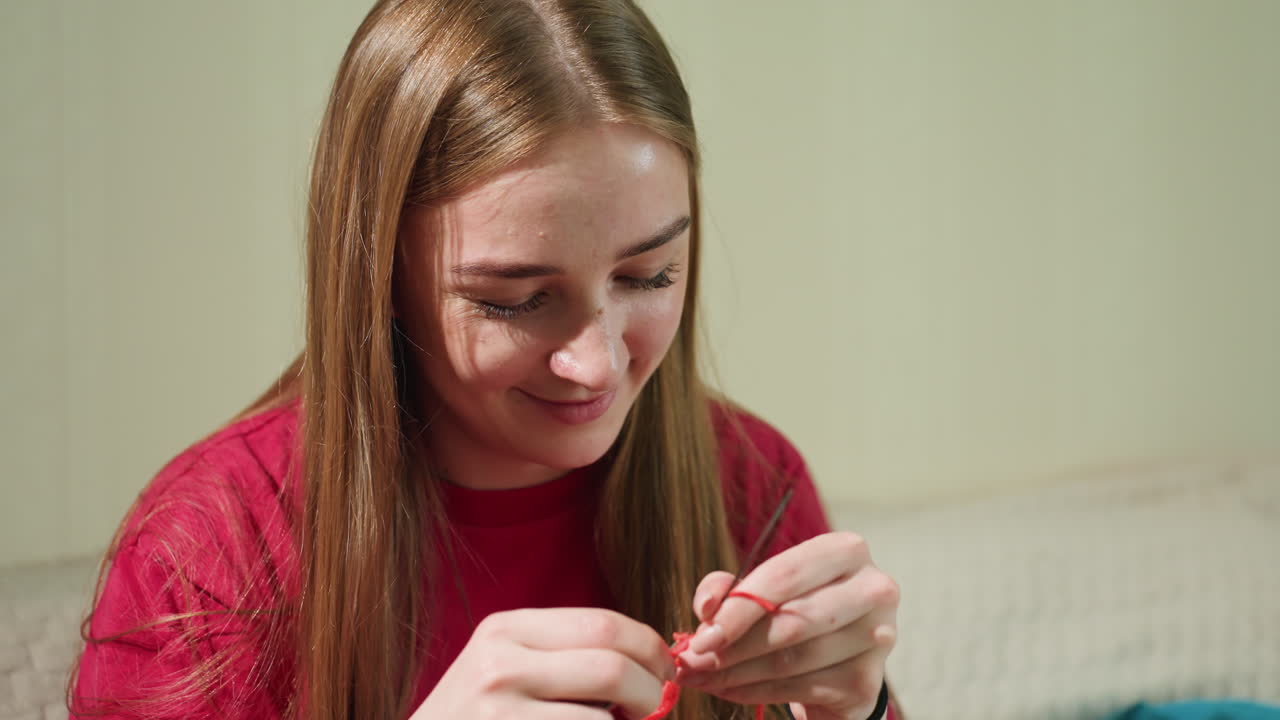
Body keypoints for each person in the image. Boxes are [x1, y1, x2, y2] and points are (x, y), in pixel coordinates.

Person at [68, 1, 901, 718]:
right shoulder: (209, 557)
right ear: (381, 275)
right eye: (514, 298)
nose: (598, 364)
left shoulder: (749, 485)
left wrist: (857, 708)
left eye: (649, 275)